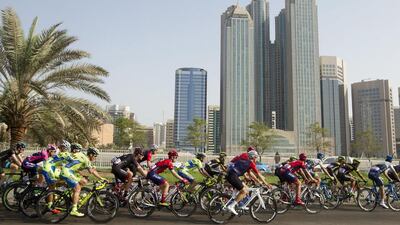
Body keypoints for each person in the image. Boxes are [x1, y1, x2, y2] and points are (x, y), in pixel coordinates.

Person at [60, 145, 106, 217]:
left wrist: (82, 175)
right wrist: (101, 178)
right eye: (95, 156)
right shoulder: (86, 159)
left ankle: (73, 196)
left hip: (69, 171)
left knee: (83, 181)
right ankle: (74, 210)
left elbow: (76, 168)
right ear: (90, 154)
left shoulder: (82, 155)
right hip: (67, 171)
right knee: (77, 188)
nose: (95, 158)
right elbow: (92, 171)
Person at [225, 150, 271, 215]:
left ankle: (241, 205)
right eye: (256, 157)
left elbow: (250, 174)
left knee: (246, 188)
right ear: (253, 157)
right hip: (233, 176)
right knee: (244, 191)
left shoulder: (246, 161)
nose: (256, 159)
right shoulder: (250, 163)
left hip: (231, 175)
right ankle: (231, 206)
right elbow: (258, 174)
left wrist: (258, 181)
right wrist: (266, 183)